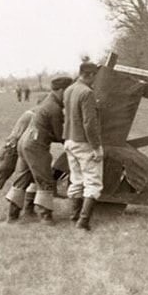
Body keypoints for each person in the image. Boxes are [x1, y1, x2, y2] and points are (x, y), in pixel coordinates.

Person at [4, 77, 73, 225]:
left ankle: (12, 216)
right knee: (45, 180)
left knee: (21, 180)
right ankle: (46, 217)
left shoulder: (47, 102)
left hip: (25, 143)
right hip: (36, 145)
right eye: (68, 92)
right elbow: (58, 134)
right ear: (61, 91)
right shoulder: (54, 108)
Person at [0, 106, 42, 219]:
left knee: (31, 178)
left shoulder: (30, 114)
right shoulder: (33, 116)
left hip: (16, 149)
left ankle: (28, 210)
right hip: (12, 150)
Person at [63, 62, 103, 231]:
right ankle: (83, 222)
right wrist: (96, 147)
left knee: (76, 180)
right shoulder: (87, 93)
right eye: (95, 76)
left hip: (69, 140)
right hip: (83, 142)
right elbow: (89, 123)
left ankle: (74, 217)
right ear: (91, 75)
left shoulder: (69, 90)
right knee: (93, 182)